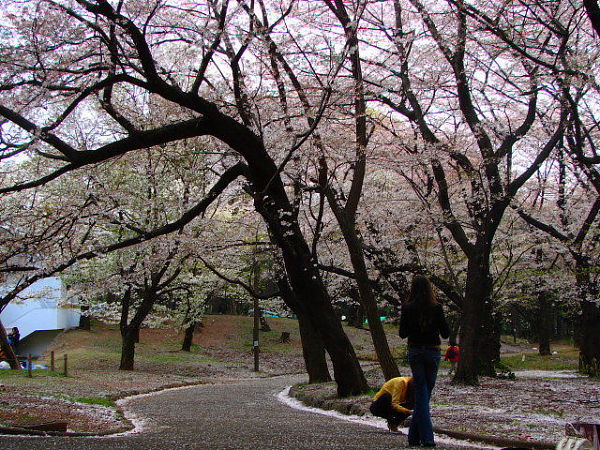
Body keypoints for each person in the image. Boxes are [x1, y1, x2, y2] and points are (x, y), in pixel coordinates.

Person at [399, 276, 450, 448]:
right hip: (433, 351)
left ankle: (413, 437)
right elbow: (445, 333)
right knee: (424, 392)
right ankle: (428, 438)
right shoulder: (436, 308)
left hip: (415, 351)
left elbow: (402, 333)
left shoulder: (407, 308)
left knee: (422, 393)